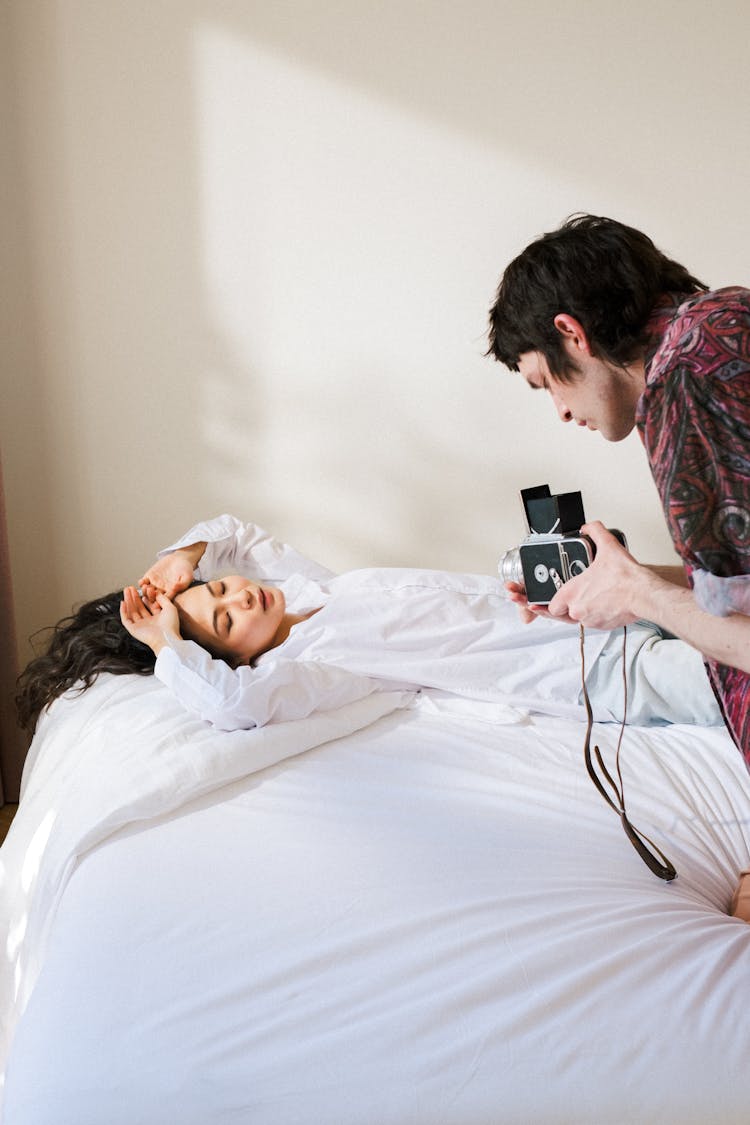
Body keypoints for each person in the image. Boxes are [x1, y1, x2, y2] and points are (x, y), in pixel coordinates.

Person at [487, 213, 750, 916]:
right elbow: (736, 596)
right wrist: (629, 575)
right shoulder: (725, 322)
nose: (561, 412)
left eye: (546, 382)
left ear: (573, 332)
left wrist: (637, 593)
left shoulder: (683, 390)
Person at [17, 514, 720, 736]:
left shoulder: (303, 590)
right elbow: (232, 705)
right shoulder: (314, 670)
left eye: (225, 590)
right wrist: (164, 639)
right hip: (591, 671)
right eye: (225, 620)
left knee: (718, 598)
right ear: (228, 655)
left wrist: (178, 564)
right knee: (725, 679)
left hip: (593, 609)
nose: (240, 599)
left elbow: (233, 530)